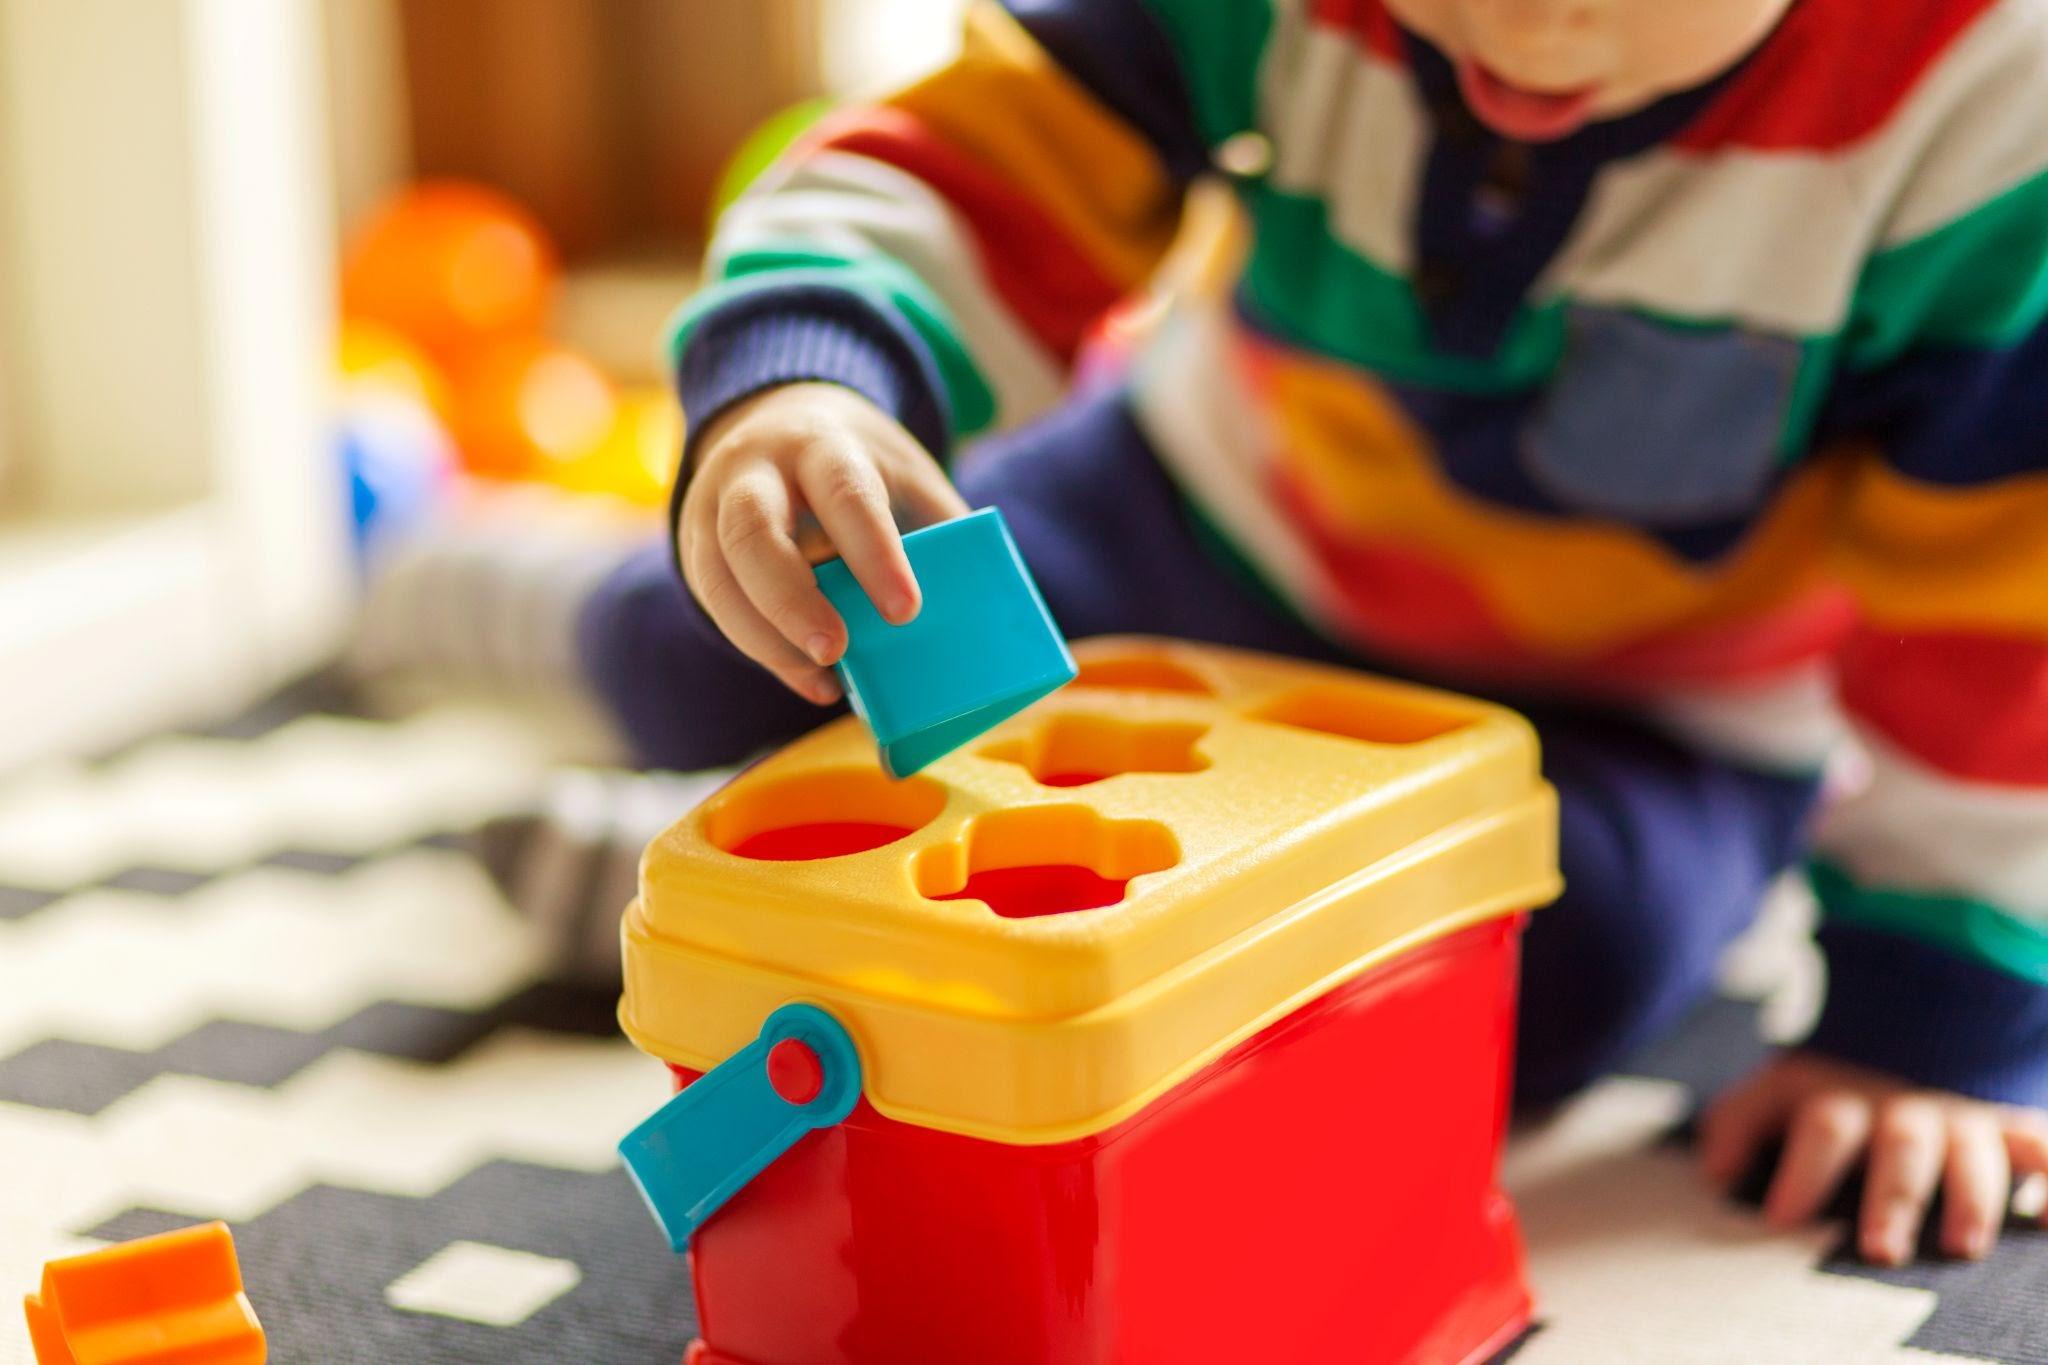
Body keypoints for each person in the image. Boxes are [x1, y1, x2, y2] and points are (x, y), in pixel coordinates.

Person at [578, 0, 2048, 1266]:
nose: (1530, 27)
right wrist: (810, 382)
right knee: (709, 628)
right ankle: (511, 610)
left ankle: (683, 895)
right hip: (1211, 528)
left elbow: (2004, 590)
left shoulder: (1979, 95)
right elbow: (971, 161)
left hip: (1649, 712)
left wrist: (1934, 1008)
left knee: (1502, 990)